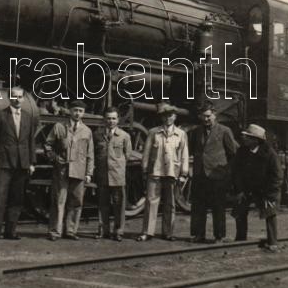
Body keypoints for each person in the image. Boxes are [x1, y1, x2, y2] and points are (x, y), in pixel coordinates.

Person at [0, 86, 37, 241]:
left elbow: (31, 141)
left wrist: (31, 162)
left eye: (20, 97)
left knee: (17, 199)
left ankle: (11, 231)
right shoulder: (0, 115)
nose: (17, 99)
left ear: (23, 99)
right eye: (14, 96)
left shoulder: (28, 117)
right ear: (9, 98)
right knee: (0, 198)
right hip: (4, 163)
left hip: (22, 164)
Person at [137, 102, 189, 242]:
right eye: (165, 115)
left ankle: (168, 232)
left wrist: (184, 174)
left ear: (175, 117)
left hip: (172, 172)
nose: (168, 118)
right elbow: (146, 153)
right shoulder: (153, 132)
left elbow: (184, 155)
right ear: (161, 117)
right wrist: (144, 169)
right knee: (151, 202)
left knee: (170, 203)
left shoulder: (181, 134)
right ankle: (147, 232)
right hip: (155, 171)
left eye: (170, 115)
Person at [188, 103, 238, 243]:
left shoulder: (224, 131)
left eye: (208, 116)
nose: (206, 119)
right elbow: (193, 151)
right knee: (198, 206)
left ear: (215, 115)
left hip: (218, 174)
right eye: (203, 116)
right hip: (200, 174)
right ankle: (199, 234)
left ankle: (219, 235)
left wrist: (227, 171)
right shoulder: (196, 131)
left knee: (218, 206)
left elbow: (233, 153)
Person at [45, 99, 94, 241]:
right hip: (62, 170)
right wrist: (55, 159)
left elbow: (90, 154)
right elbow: (48, 145)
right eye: (75, 110)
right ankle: (55, 232)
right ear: (70, 111)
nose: (77, 113)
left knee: (76, 201)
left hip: (79, 170)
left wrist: (89, 173)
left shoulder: (87, 131)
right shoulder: (59, 127)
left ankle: (71, 231)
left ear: (83, 113)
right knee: (58, 201)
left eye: (80, 111)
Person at [231, 124, 283, 252]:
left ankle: (273, 241)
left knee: (270, 211)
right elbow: (236, 172)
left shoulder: (270, 154)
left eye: (248, 137)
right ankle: (240, 239)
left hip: (266, 190)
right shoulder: (242, 151)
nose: (244, 139)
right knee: (240, 208)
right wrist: (239, 190)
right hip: (247, 188)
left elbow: (277, 177)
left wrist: (270, 196)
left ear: (256, 140)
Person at [93, 107, 132, 241]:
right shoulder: (97, 135)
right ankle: (103, 230)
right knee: (102, 204)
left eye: (114, 118)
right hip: (102, 175)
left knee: (118, 205)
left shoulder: (124, 136)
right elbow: (94, 153)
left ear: (118, 120)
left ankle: (118, 231)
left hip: (117, 176)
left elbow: (127, 155)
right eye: (108, 118)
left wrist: (117, 166)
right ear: (104, 119)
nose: (111, 121)